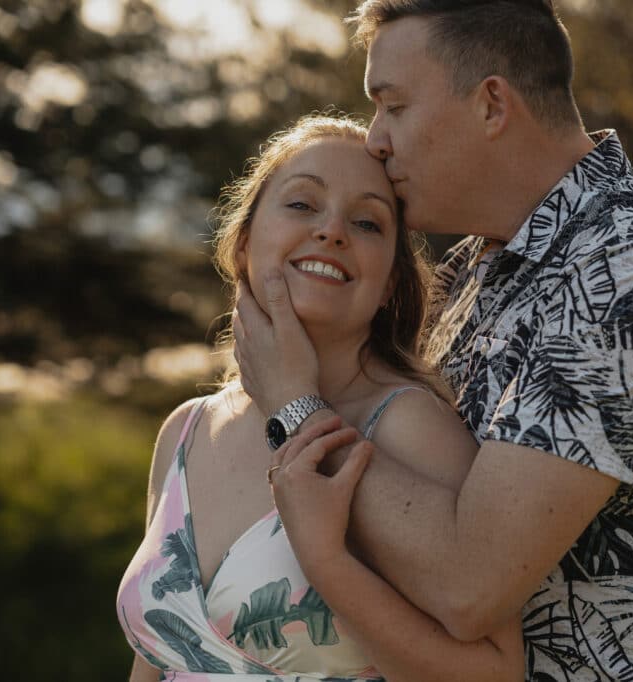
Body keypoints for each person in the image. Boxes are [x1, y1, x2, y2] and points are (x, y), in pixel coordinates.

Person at [236, 1, 633, 680]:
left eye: (393, 106)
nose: (375, 139)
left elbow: (468, 585)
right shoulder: (476, 268)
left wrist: (296, 407)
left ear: (492, 104)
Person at [116, 114, 524, 681]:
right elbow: (155, 662)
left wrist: (327, 564)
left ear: (388, 287)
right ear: (243, 244)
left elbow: (494, 675)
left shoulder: (408, 426)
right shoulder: (185, 431)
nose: (332, 231)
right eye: (302, 205)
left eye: (366, 222)